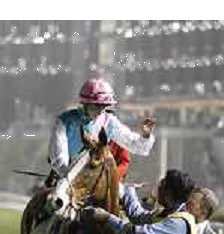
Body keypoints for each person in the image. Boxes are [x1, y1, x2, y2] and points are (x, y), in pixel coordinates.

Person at [46, 77, 156, 212]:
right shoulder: (64, 121)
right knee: (57, 205)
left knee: (126, 197)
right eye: (96, 106)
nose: (100, 111)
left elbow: (134, 145)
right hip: (69, 178)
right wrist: (74, 177)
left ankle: (137, 225)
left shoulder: (109, 121)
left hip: (100, 179)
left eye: (104, 107)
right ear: (85, 104)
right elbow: (58, 159)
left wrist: (145, 136)